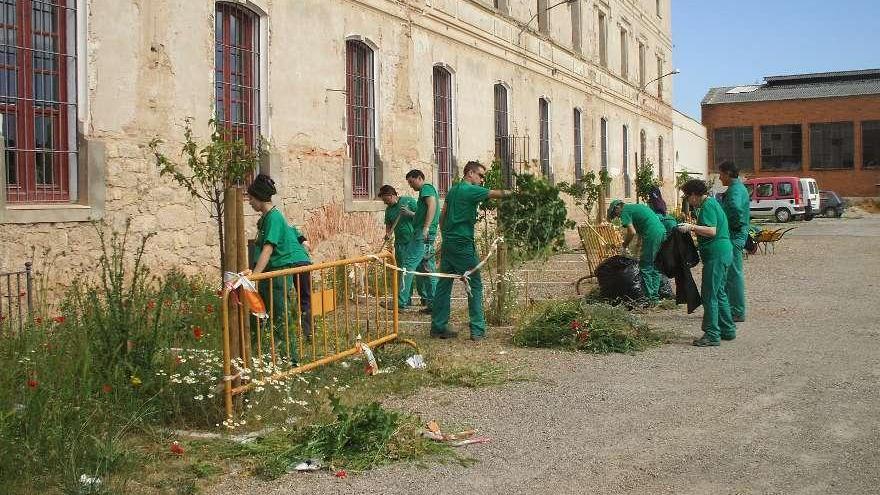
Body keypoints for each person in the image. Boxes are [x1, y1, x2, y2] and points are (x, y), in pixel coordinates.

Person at [430, 161, 510, 340]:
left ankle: (438, 326)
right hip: (463, 244)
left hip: (449, 242)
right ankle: (477, 330)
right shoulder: (470, 190)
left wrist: (446, 237)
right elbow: (495, 193)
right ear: (470, 173)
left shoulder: (453, 190)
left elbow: (442, 216)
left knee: (444, 285)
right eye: (481, 176)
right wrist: (520, 194)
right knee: (474, 285)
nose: (482, 180)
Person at [246, 174, 312, 362]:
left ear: (259, 197)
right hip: (268, 276)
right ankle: (256, 355)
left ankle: (290, 360)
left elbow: (267, 250)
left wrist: (254, 277)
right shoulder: (265, 218)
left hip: (277, 277)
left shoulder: (274, 218)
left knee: (281, 319)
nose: (249, 202)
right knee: (258, 316)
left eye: (251, 198)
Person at [677, 179, 736, 346]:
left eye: (687, 196)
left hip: (716, 255)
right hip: (723, 252)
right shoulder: (712, 204)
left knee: (709, 294)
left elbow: (711, 230)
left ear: (695, 195)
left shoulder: (708, 206)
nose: (687, 200)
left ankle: (712, 334)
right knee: (720, 293)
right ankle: (728, 329)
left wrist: (692, 227)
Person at [606, 199, 668, 304]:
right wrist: (638, 247)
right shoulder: (635, 207)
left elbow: (632, 232)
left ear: (617, 207)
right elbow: (641, 228)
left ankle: (650, 298)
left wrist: (624, 245)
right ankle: (655, 297)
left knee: (645, 266)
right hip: (661, 232)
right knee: (655, 266)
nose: (617, 217)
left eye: (615, 214)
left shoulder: (624, 211)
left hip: (651, 235)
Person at [378, 185, 420, 310]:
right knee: (402, 271)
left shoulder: (408, 201)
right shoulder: (389, 210)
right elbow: (389, 225)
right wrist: (388, 234)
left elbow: (421, 216)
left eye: (386, 200)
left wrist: (409, 213)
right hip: (400, 244)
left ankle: (427, 300)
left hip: (413, 242)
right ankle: (406, 300)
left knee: (414, 271)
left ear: (392, 195)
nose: (385, 203)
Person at [718, 161, 750, 322]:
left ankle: (737, 311)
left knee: (733, 274)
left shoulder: (735, 190)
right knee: (730, 274)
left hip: (734, 235)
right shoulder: (737, 188)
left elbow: (736, 209)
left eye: (721, 174)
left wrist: (733, 226)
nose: (719, 177)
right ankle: (730, 308)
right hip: (736, 234)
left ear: (729, 173)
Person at [405, 169, 441, 313]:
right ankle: (433, 304)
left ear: (419, 178)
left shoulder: (426, 189)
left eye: (412, 182)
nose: (411, 186)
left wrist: (425, 228)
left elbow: (432, 205)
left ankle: (401, 302)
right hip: (425, 232)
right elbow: (422, 213)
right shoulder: (425, 191)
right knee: (427, 268)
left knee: (407, 264)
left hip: (423, 233)